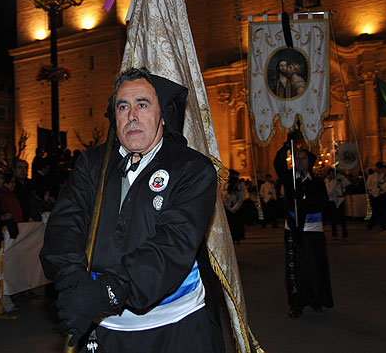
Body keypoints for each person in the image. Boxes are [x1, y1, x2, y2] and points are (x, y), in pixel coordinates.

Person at [40, 68, 223, 352]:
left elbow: (174, 242)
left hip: (176, 328)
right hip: (106, 329)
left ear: (162, 116)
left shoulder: (192, 168)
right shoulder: (93, 165)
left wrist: (108, 291)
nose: (132, 115)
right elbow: (66, 224)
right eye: (123, 106)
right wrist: (73, 281)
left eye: (142, 104)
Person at [274, 132, 333, 318]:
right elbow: (278, 163)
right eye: (297, 158)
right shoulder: (289, 179)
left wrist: (309, 201)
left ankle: (316, 299)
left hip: (314, 230)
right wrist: (287, 145)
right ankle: (296, 304)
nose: (300, 161)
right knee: (296, 269)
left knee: (315, 266)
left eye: (303, 158)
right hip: (294, 230)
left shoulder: (317, 181)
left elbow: (324, 202)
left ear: (309, 161)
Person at [367, 163, 386, 230]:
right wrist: (372, 191)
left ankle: (384, 225)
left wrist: (384, 190)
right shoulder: (371, 177)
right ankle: (371, 223)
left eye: (380, 168)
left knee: (383, 211)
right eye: (378, 168)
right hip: (374, 195)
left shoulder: (385, 177)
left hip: (381, 195)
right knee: (374, 210)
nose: (379, 169)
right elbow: (368, 185)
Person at [325, 169, 350, 241]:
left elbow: (348, 185)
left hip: (340, 200)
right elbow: (328, 191)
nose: (332, 175)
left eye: (333, 174)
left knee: (342, 218)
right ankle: (334, 234)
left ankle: (345, 235)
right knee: (333, 218)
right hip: (332, 201)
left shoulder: (340, 179)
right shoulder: (327, 181)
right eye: (330, 174)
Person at [222, 170, 246, 243]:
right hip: (228, 206)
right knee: (230, 224)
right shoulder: (225, 184)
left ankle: (237, 237)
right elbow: (223, 195)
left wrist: (235, 207)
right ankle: (231, 238)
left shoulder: (240, 185)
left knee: (238, 223)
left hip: (237, 206)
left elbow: (242, 196)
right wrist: (228, 206)